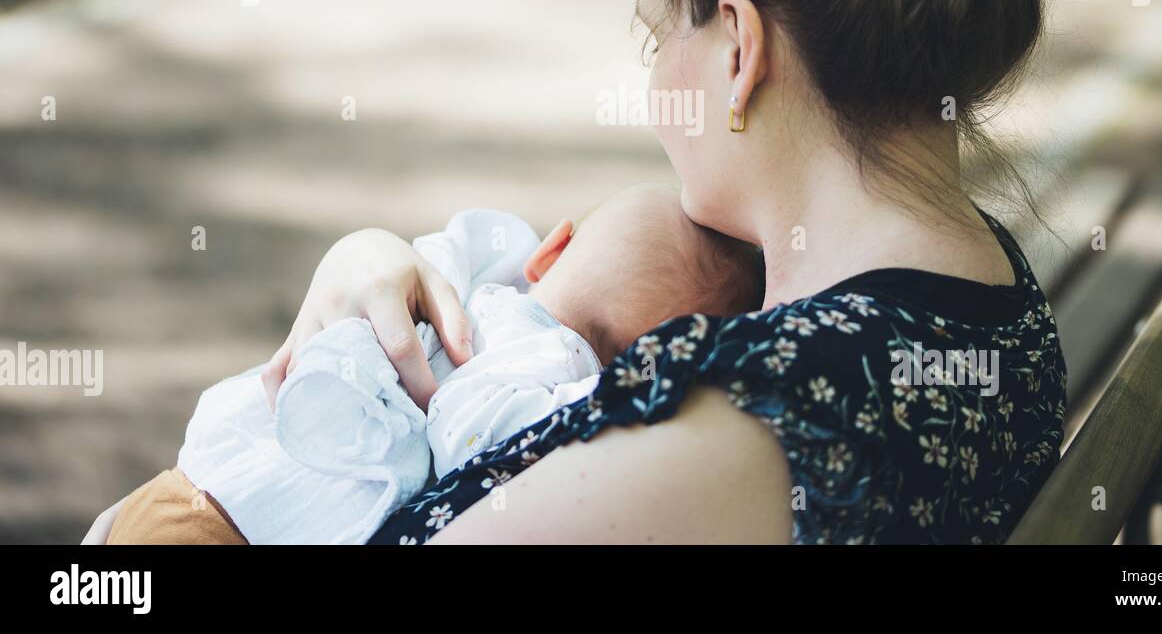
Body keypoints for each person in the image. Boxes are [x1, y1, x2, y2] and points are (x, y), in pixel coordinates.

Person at [88, 0, 1075, 545]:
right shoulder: (981, 303)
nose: (651, 84)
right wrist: (373, 265)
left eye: (657, 35)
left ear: (738, 48)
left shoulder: (753, 418)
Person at [101, 186, 761, 544]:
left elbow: (412, 258)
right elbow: (469, 437)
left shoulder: (484, 276)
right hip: (248, 525)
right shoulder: (565, 380)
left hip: (205, 475)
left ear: (553, 248)